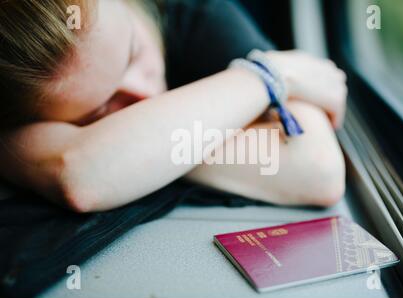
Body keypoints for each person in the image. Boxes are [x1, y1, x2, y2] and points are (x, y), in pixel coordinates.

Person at [0, 0, 347, 213]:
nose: (146, 94)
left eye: (134, 52)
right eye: (101, 110)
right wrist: (269, 75)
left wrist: (127, 155)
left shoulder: (203, 19)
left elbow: (316, 165)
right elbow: (81, 175)